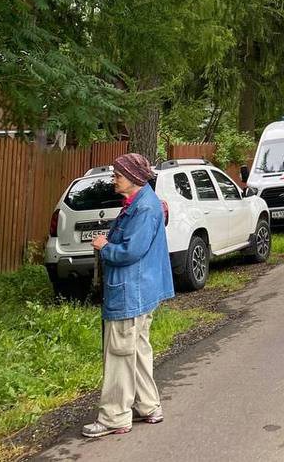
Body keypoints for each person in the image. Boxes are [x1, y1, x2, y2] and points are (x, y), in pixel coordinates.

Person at [84, 152, 174, 439]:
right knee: (136, 350)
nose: (114, 179)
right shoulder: (142, 203)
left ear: (134, 178)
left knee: (120, 354)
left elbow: (131, 251)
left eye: (118, 175)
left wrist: (104, 247)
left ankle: (114, 417)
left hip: (130, 291)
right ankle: (148, 406)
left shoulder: (145, 208)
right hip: (140, 290)